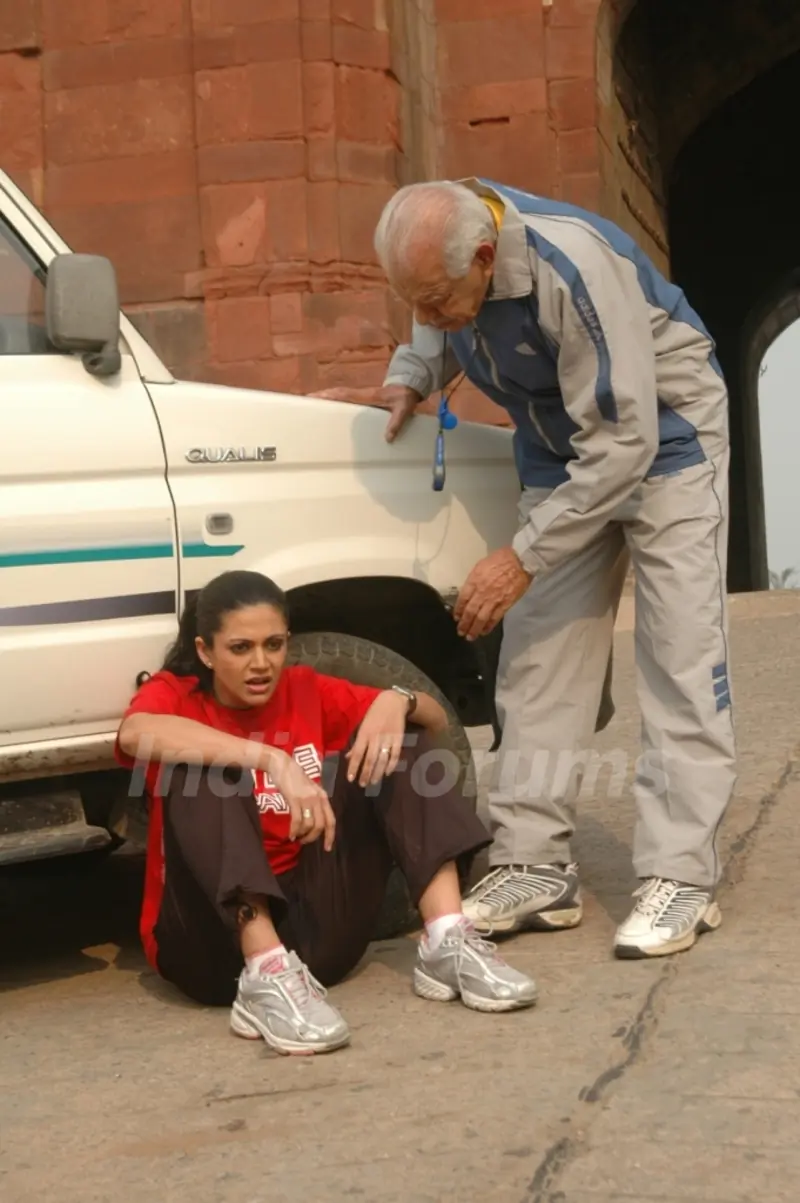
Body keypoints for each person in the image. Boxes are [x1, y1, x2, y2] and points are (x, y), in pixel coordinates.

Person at [318, 177, 736, 960]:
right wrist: (413, 373)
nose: (435, 316)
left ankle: (682, 873)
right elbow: (433, 323)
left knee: (680, 656)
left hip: (664, 444)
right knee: (538, 658)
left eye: (442, 299)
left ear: (484, 257)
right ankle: (533, 863)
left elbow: (623, 443)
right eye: (417, 300)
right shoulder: (448, 267)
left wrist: (522, 556)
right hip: (558, 450)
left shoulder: (572, 270)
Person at [115, 569, 537, 1056]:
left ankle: (447, 940)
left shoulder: (304, 689)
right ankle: (265, 970)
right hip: (210, 949)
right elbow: (135, 733)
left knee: (400, 746)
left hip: (317, 934)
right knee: (195, 771)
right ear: (206, 652)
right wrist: (270, 759)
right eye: (240, 648)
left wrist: (395, 701)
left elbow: (438, 719)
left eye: (273, 645)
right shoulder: (177, 695)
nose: (261, 663)